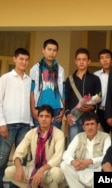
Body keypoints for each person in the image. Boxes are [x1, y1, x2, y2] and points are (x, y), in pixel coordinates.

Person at [4, 104, 66, 188]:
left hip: (49, 171)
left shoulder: (59, 134)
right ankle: (32, 184)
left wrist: (42, 170)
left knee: (56, 173)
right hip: (33, 170)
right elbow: (18, 153)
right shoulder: (31, 133)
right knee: (9, 171)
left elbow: (57, 158)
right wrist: (19, 168)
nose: (44, 119)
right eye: (41, 116)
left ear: (52, 119)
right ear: (38, 118)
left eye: (47, 116)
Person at [0, 48, 32, 188]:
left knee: (21, 159)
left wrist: (30, 122)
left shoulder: (29, 80)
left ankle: (17, 186)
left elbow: (30, 104)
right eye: (21, 59)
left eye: (26, 59)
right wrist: (1, 123)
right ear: (14, 59)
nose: (24, 62)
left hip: (25, 125)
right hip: (8, 124)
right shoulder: (5, 78)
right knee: (2, 158)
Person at [60, 111, 111, 188]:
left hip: (97, 170)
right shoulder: (78, 137)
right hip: (81, 169)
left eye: (92, 124)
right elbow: (66, 154)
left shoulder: (105, 137)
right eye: (87, 124)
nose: (90, 127)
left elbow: (107, 157)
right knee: (64, 165)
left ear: (98, 125)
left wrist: (89, 161)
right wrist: (73, 162)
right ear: (83, 127)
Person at [64, 48, 101, 142]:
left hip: (90, 120)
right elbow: (66, 99)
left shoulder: (95, 79)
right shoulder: (69, 80)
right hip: (74, 118)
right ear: (75, 61)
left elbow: (99, 97)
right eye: (79, 59)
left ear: (89, 61)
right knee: (74, 146)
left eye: (84, 59)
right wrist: (67, 114)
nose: (81, 62)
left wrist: (92, 106)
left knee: (89, 147)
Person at [29, 39, 65, 129]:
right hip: (40, 108)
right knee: (39, 140)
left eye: (54, 50)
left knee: (54, 139)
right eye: (49, 49)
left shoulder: (60, 69)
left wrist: (63, 109)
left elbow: (63, 91)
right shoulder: (36, 68)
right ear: (43, 50)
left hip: (56, 109)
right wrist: (33, 109)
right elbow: (31, 91)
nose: (51, 53)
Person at [94, 49, 112, 134]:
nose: (105, 60)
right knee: (100, 137)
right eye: (102, 58)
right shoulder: (95, 75)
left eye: (107, 57)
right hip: (100, 111)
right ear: (99, 61)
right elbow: (94, 95)